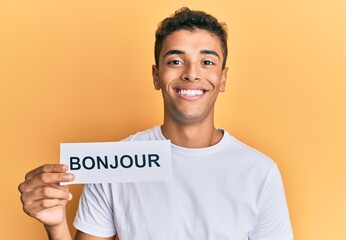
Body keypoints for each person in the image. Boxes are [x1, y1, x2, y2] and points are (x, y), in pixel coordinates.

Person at [18, 7, 293, 240]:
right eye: (176, 61)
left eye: (207, 61)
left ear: (222, 78)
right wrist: (55, 225)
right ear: (156, 75)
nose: (192, 74)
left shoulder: (260, 173)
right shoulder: (115, 162)